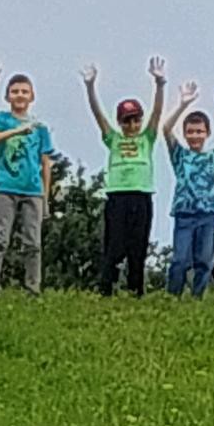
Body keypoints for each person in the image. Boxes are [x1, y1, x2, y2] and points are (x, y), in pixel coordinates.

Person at [81, 57, 166, 297]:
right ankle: (106, 289)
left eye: (136, 119)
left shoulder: (147, 138)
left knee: (138, 247)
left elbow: (157, 113)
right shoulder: (113, 139)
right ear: (120, 122)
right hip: (118, 196)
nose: (132, 125)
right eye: (127, 121)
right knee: (114, 246)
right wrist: (90, 87)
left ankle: (135, 291)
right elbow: (98, 114)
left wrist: (160, 84)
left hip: (142, 195)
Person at [162, 81, 214, 297]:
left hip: (208, 214)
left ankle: (197, 297)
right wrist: (182, 104)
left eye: (199, 131)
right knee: (179, 260)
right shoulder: (180, 155)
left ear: (207, 133)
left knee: (204, 261)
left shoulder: (213, 157)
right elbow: (166, 129)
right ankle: (173, 296)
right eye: (190, 132)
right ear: (185, 134)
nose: (195, 135)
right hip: (184, 214)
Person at [0, 71, 53, 295]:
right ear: (7, 96)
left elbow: (46, 162)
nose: (20, 95)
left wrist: (45, 196)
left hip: (32, 189)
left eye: (24, 91)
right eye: (15, 91)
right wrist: (14, 131)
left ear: (32, 96)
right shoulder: (2, 119)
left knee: (33, 242)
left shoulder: (40, 127)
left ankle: (33, 288)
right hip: (5, 186)